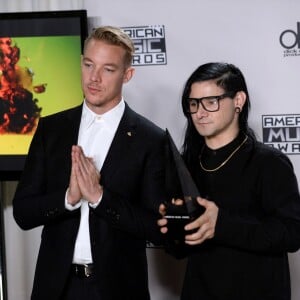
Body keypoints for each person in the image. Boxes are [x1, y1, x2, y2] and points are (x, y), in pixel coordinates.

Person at [13, 26, 166, 300]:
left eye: (108, 69)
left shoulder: (151, 139)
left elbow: (157, 227)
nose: (94, 78)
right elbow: (23, 213)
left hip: (118, 291)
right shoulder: (52, 129)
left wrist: (100, 197)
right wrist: (69, 198)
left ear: (127, 75)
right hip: (56, 289)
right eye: (88, 65)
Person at [158, 62, 300, 300]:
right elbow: (179, 250)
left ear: (238, 101)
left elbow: (291, 233)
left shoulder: (269, 163)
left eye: (211, 102)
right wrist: (172, 230)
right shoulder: (185, 164)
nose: (200, 113)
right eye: (194, 104)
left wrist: (220, 224)